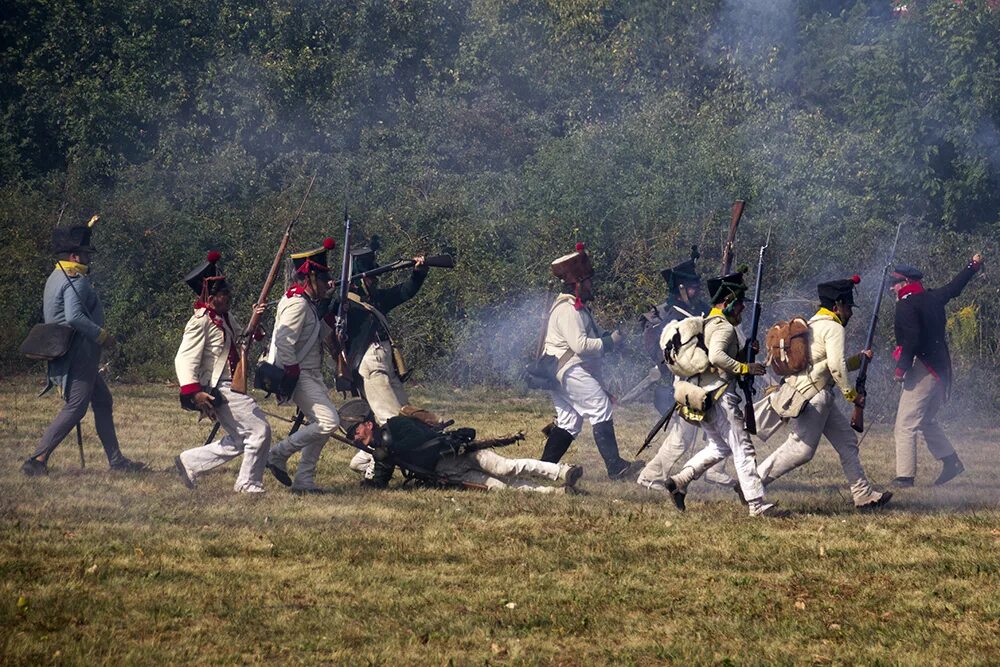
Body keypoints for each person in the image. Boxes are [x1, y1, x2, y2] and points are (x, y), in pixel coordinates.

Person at [22, 218, 146, 476]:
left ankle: (116, 461)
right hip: (79, 353)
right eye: (86, 254)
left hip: (73, 353)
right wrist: (103, 337)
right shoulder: (75, 280)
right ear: (75, 255)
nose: (89, 259)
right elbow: (74, 317)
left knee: (103, 401)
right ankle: (37, 459)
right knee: (76, 407)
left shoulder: (56, 277)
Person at [755, 276, 891, 511]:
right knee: (802, 450)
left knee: (847, 441)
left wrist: (858, 361)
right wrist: (852, 397)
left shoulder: (813, 324)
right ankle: (753, 484)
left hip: (817, 394)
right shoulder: (834, 327)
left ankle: (863, 494)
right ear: (837, 305)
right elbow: (836, 368)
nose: (849, 313)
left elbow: (827, 364)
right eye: (848, 307)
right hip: (815, 396)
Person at [663, 269, 786, 517]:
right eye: (739, 303)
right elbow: (716, 356)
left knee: (720, 447)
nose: (741, 308)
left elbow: (720, 355)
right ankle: (757, 505)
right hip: (720, 397)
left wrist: (744, 351)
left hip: (706, 395)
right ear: (728, 302)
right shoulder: (724, 327)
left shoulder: (711, 322)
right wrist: (744, 366)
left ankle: (680, 481)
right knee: (743, 449)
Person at [330, 238, 439, 477]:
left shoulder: (374, 298)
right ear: (360, 278)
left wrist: (418, 274)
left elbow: (404, 291)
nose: (374, 280)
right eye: (371, 276)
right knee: (390, 420)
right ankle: (375, 468)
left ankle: (425, 452)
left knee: (405, 413)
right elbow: (325, 308)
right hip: (369, 364)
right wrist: (334, 291)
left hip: (386, 362)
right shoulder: (343, 300)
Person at [539, 242, 643, 479]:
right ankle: (616, 467)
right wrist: (611, 342)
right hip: (567, 369)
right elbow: (580, 346)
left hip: (560, 369)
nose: (591, 286)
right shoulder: (569, 309)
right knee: (600, 407)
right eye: (588, 282)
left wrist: (608, 340)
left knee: (568, 422)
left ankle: (543, 468)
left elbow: (586, 340)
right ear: (578, 283)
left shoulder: (574, 307)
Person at [635, 248, 735, 491]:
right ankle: (650, 475)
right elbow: (677, 356)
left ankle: (715, 470)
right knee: (683, 438)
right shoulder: (672, 317)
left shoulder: (696, 309)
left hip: (704, 380)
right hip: (689, 381)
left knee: (724, 427)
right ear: (680, 289)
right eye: (691, 287)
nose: (696, 290)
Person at [173, 251, 272, 493]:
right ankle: (248, 483)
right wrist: (193, 392)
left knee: (240, 440)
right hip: (219, 387)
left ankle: (190, 461)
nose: (228, 297)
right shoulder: (201, 321)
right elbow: (184, 358)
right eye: (223, 294)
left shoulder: (224, 317)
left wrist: (256, 319)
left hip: (230, 386)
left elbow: (244, 338)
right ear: (210, 296)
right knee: (259, 430)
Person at [339, 399, 583, 493]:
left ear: (369, 424)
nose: (355, 438)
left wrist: (391, 449)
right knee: (502, 488)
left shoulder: (397, 426)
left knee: (508, 468)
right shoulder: (382, 452)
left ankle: (561, 471)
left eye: (356, 431)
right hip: (447, 472)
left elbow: (420, 441)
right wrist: (372, 481)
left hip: (461, 454)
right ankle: (556, 492)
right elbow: (379, 482)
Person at [890, 253, 983, 487]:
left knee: (905, 423)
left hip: (923, 368)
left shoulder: (906, 304)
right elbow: (954, 288)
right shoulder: (931, 297)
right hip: (941, 370)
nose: (892, 289)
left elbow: (911, 338)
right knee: (926, 420)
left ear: (904, 283)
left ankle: (905, 477)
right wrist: (971, 267)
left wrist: (901, 369)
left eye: (894, 284)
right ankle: (951, 461)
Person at [263, 237, 341, 491]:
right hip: (299, 374)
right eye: (322, 279)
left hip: (310, 373)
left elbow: (314, 335)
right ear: (309, 278)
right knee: (329, 422)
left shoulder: (306, 303)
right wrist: (292, 372)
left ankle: (304, 480)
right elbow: (284, 341)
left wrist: (332, 309)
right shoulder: (297, 304)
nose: (326, 283)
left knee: (322, 426)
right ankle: (278, 453)